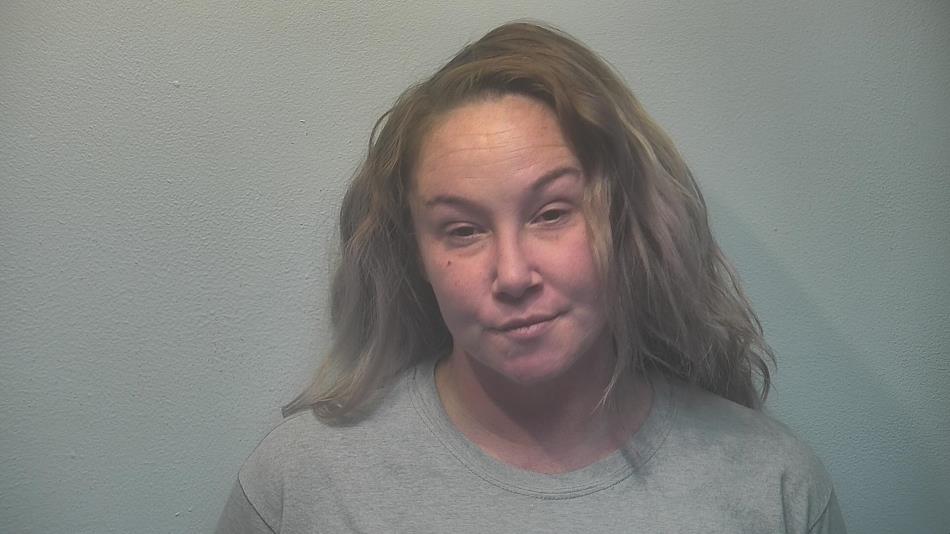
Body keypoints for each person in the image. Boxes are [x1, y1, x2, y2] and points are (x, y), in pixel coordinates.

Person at [216, 22, 846, 533]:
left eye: (551, 214)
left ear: (625, 223)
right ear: (416, 255)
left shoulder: (771, 486)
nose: (513, 274)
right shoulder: (301, 487)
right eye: (463, 230)